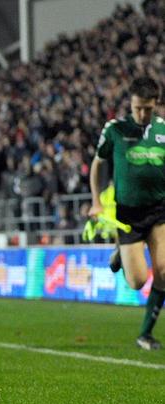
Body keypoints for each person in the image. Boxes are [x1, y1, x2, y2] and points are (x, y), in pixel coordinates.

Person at [89, 76, 165, 351]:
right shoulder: (115, 129)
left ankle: (145, 334)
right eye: (137, 108)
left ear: (156, 103)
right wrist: (96, 202)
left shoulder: (163, 130)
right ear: (130, 104)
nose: (142, 114)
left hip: (159, 211)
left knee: (164, 271)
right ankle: (122, 250)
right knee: (137, 281)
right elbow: (97, 165)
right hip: (128, 215)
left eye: (147, 108)